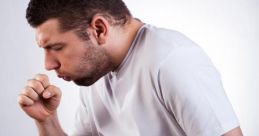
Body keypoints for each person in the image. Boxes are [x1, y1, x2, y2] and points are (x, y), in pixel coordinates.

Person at [18, 0, 243, 136]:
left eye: (56, 47)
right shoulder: (96, 73)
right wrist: (46, 120)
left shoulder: (171, 60)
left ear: (98, 29)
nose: (48, 65)